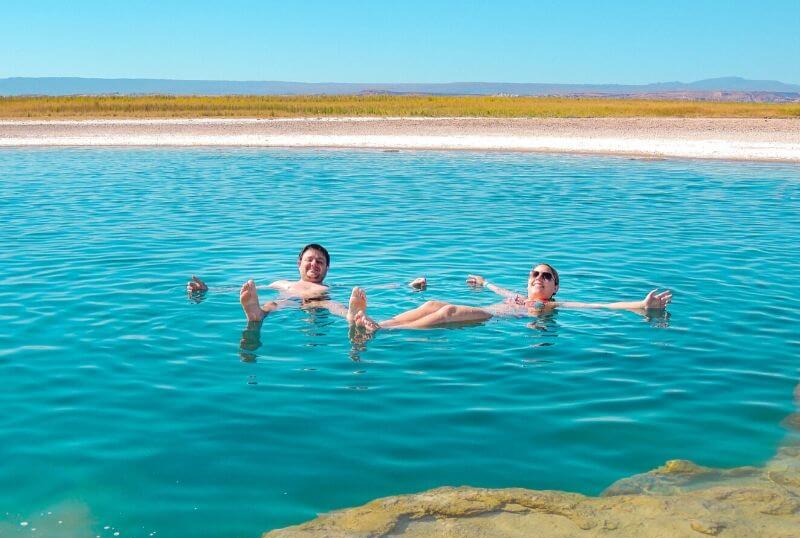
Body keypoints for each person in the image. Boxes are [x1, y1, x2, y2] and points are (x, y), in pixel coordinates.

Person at [347, 263, 672, 331]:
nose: (540, 279)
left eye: (547, 277)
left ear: (555, 287)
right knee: (433, 304)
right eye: (535, 274)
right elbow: (498, 290)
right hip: (487, 306)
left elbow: (600, 306)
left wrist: (641, 306)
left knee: (445, 311)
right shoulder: (517, 295)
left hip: (493, 318)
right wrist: (484, 282)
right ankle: (376, 321)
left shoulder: (551, 305)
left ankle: (382, 328)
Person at [187, 243, 427, 322]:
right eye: (309, 260)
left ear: (327, 269)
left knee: (334, 306)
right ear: (299, 263)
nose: (314, 265)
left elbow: (374, 287)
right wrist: (208, 290)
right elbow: (243, 289)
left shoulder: (327, 287)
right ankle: (255, 312)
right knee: (272, 303)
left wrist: (409, 285)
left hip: (318, 300)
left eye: (320, 262)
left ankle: (352, 315)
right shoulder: (281, 282)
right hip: (288, 299)